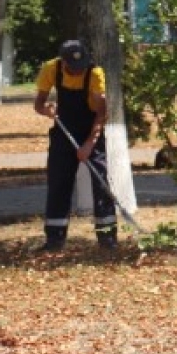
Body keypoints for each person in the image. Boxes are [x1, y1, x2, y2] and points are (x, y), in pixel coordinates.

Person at [32, 39, 117, 251]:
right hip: (63, 132)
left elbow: (101, 113)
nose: (78, 72)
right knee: (59, 182)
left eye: (81, 67)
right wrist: (47, 111)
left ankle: (107, 238)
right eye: (73, 68)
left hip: (90, 130)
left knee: (101, 183)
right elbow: (39, 104)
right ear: (64, 62)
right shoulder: (51, 68)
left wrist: (89, 144)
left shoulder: (95, 74)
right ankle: (55, 239)